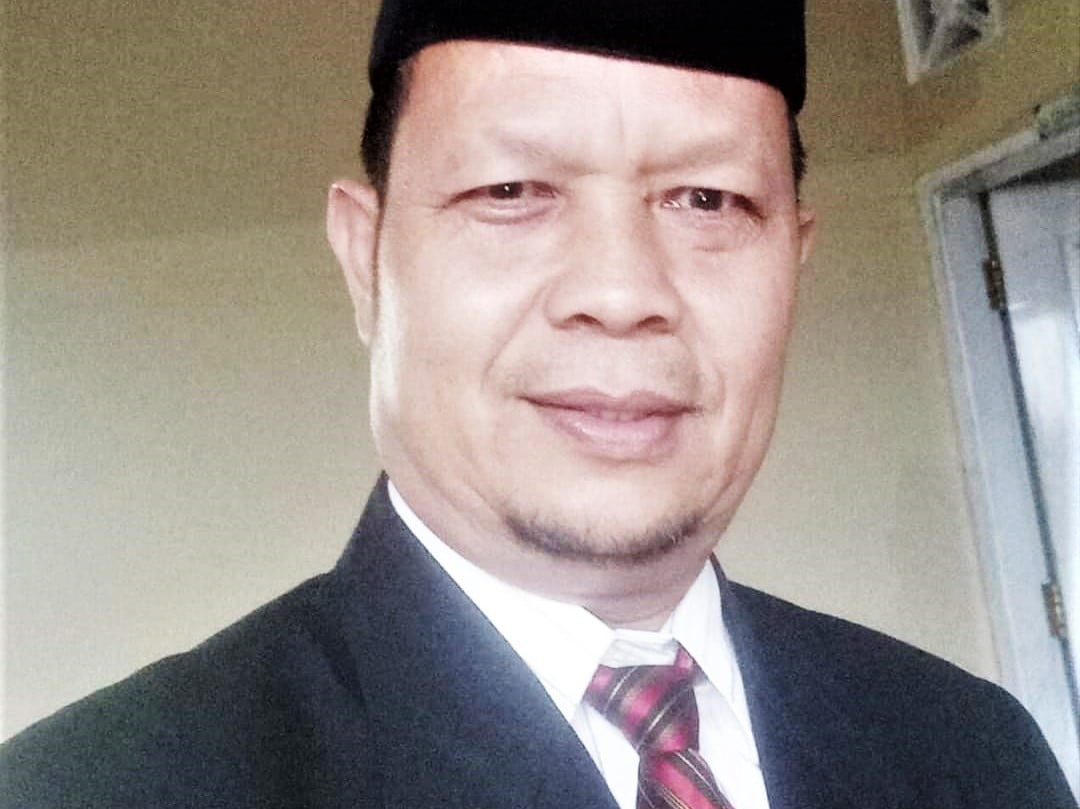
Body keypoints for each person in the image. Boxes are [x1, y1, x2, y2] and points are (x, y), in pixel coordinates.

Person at [1, 2, 1074, 807]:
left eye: (708, 199)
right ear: (367, 259)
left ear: (792, 261)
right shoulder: (99, 786)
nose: (622, 291)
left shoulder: (972, 749)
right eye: (510, 192)